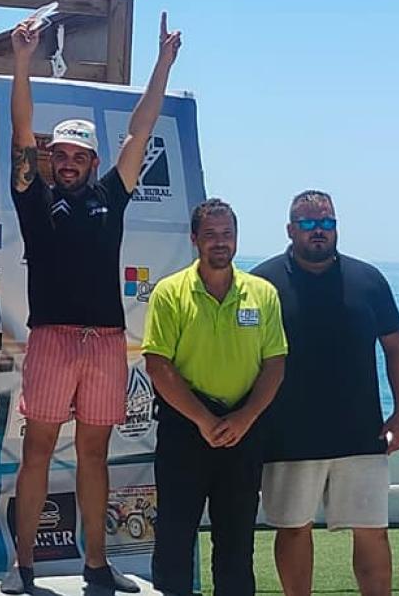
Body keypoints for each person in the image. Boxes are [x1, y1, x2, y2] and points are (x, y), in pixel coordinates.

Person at [2, 13, 183, 594]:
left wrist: (162, 64)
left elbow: (140, 129)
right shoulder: (32, 196)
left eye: (78, 156)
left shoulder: (112, 194)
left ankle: (97, 564)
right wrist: (23, 61)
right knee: (36, 452)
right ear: (50, 159)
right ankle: (22, 566)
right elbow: (21, 127)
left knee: (94, 455)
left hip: (105, 341)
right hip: (53, 338)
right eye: (61, 155)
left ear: (93, 161)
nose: (68, 163)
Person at [251, 190, 399, 596]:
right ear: (290, 230)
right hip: (287, 436)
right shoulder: (261, 284)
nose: (318, 231)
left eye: (326, 223)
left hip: (360, 433)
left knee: (373, 531)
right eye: (308, 223)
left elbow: (397, 347)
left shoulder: (369, 280)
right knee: (293, 529)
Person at [142, 198, 288, 596]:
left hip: (244, 430)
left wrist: (245, 418)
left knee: (236, 543)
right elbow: (158, 364)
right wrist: (204, 420)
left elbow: (275, 364)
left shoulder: (263, 293)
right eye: (210, 234)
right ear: (194, 240)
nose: (220, 242)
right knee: (174, 538)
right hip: (185, 428)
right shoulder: (170, 292)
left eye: (227, 234)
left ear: (237, 238)